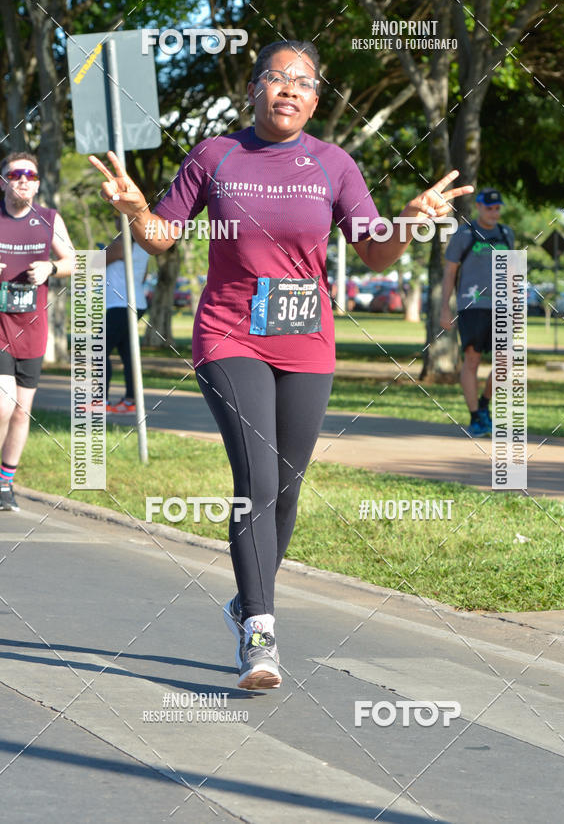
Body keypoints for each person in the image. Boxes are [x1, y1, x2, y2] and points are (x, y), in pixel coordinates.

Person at [90, 40, 472, 689]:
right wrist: (134, 211)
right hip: (229, 333)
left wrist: (408, 220)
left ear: (316, 98)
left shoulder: (334, 164)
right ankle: (260, 630)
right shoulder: (216, 154)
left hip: (306, 339)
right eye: (277, 78)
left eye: (303, 82)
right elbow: (163, 236)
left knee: (288, 488)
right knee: (258, 480)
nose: (289, 89)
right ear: (254, 88)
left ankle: (246, 594)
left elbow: (376, 255)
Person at [0, 152, 74, 510]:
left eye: (30, 174)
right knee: (3, 403)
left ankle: (5, 484)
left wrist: (50, 268)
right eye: (16, 174)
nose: (24, 180)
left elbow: (73, 259)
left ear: (38, 183)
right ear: (4, 181)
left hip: (31, 328)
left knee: (21, 412)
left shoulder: (48, 219)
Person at [440, 188, 515, 437]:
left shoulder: (507, 234)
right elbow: (450, 273)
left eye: (497, 208)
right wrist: (444, 308)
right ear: (479, 207)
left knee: (505, 361)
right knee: (472, 360)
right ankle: (476, 417)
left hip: (502, 307)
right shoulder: (464, 234)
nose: (494, 212)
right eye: (489, 208)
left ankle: (484, 404)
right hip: (472, 306)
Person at [104, 219, 149, 412]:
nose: (115, 218)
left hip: (120, 304)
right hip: (136, 303)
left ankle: (100, 401)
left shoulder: (120, 245)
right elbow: (145, 277)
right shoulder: (144, 247)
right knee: (127, 354)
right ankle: (131, 400)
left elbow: (90, 264)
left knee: (99, 349)